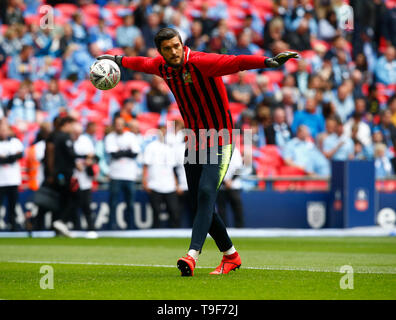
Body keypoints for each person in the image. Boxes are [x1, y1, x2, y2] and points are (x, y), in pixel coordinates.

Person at [97, 27, 298, 276]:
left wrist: (267, 62)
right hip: (194, 140)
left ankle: (192, 255)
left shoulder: (202, 62)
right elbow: (140, 63)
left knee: (205, 193)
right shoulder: (162, 67)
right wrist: (115, 59)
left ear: (182, 44)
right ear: (161, 51)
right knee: (198, 202)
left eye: (176, 45)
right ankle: (231, 256)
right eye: (167, 48)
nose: (173, 51)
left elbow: (236, 62)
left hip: (221, 137)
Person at [105, 116, 141, 230]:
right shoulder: (110, 137)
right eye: (117, 124)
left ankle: (130, 226)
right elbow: (113, 154)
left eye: (120, 124)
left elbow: (134, 154)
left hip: (129, 175)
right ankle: (111, 226)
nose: (118, 126)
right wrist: (127, 151)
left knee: (130, 203)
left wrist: (120, 152)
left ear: (124, 125)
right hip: (115, 174)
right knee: (113, 202)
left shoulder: (131, 136)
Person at [142, 125, 181, 228]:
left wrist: (176, 183)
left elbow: (172, 168)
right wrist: (144, 181)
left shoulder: (169, 148)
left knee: (174, 210)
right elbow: (145, 165)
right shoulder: (151, 147)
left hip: (169, 184)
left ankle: (174, 233)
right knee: (156, 211)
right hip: (155, 183)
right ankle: (156, 232)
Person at [0, 118, 23, 231]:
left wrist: (6, 158)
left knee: (13, 204)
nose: (3, 132)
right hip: (1, 180)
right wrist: (10, 158)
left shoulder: (15, 142)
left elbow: (19, 155)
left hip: (13, 179)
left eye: (5, 130)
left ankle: (13, 225)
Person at [216, 147, 244, 228]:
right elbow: (215, 169)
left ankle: (240, 229)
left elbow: (240, 168)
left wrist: (231, 180)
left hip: (234, 186)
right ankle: (223, 231)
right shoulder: (216, 151)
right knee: (221, 211)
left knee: (238, 209)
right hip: (221, 186)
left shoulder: (236, 151)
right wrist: (225, 181)